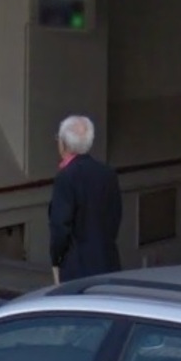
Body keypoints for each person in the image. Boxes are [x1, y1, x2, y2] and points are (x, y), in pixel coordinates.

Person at [48, 115, 122, 283]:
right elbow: (115, 217)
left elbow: (60, 226)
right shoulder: (108, 173)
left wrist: (56, 260)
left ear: (63, 143)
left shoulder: (66, 177)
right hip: (108, 263)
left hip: (77, 270)